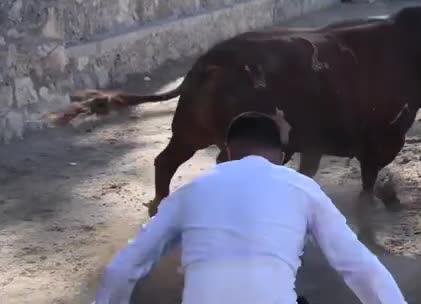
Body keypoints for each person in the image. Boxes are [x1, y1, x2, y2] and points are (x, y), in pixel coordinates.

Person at [94, 111, 405, 304]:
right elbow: (360, 266)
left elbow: (120, 269)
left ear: (228, 150)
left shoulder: (191, 190)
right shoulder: (301, 187)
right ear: (281, 153)